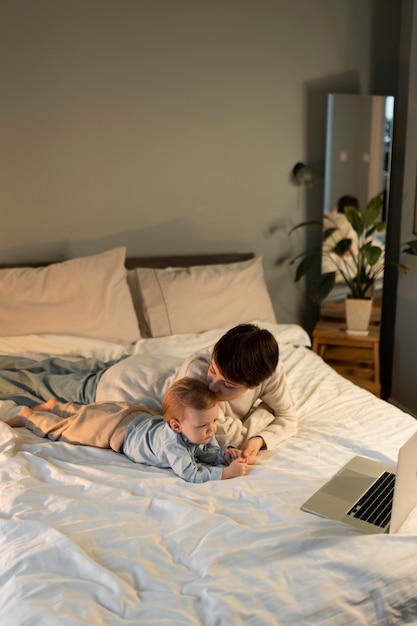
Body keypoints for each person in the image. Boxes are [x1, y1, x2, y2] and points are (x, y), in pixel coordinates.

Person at [0, 323, 297, 463]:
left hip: (140, 368)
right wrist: (261, 415)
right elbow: (224, 436)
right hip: (119, 383)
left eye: (227, 385)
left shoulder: (271, 371)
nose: (212, 385)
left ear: (256, 384)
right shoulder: (197, 370)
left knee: (42, 370)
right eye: (213, 370)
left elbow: (288, 416)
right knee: (29, 379)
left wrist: (259, 439)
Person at [6, 377, 248, 483]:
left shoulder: (197, 429)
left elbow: (204, 451)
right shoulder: (172, 443)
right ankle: (30, 416)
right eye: (204, 425)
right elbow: (191, 473)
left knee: (86, 413)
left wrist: (223, 456)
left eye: (214, 421)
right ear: (176, 426)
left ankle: (56, 406)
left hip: (135, 416)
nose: (211, 430)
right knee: (67, 429)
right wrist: (227, 474)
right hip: (115, 429)